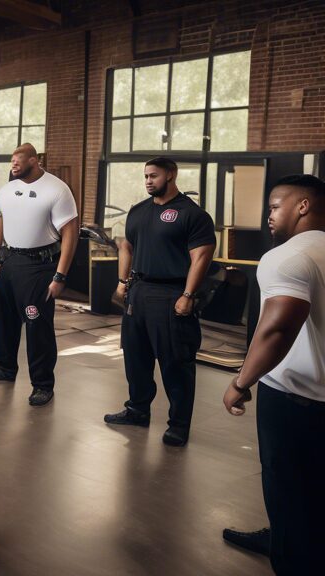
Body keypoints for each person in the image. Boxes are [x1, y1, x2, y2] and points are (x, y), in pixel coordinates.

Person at [221, 174, 325, 575]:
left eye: (275, 206)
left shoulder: (285, 257)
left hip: (294, 399)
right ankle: (284, 534)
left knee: (287, 490)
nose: (269, 215)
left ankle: (290, 551)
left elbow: (278, 328)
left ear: (303, 206)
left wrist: (240, 382)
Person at [103, 157, 215, 446]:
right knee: (135, 357)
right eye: (146, 176)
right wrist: (122, 281)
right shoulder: (139, 211)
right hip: (138, 291)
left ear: (171, 175)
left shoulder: (192, 214)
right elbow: (126, 246)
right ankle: (137, 410)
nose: (148, 181)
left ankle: (179, 424)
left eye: (154, 175)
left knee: (175, 363)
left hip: (171, 294)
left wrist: (188, 295)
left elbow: (201, 256)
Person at [0, 143, 78, 407]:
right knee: (4, 318)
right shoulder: (7, 190)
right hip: (10, 261)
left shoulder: (56, 189)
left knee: (36, 325)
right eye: (11, 161)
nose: (13, 165)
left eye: (18, 161)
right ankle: (5, 367)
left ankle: (43, 384)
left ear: (34, 160)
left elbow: (70, 232)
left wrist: (60, 276)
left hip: (40, 265)